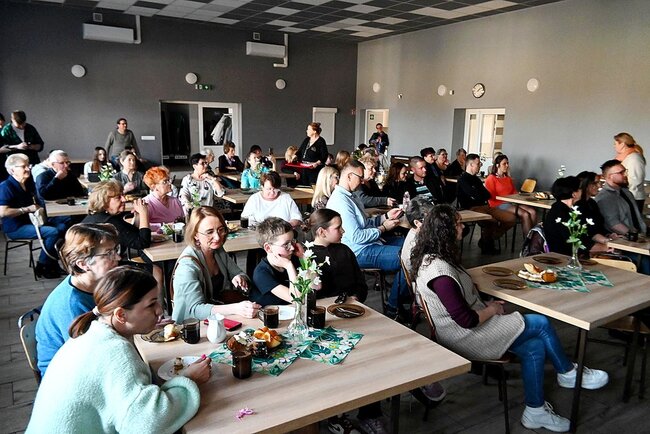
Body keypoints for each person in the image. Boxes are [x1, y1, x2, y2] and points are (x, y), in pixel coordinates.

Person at [411, 204, 608, 433]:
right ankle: (568, 373)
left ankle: (535, 411)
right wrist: (492, 309)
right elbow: (466, 320)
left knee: (535, 347)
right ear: (445, 230)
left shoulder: (436, 258)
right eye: (458, 224)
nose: (463, 227)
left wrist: (484, 305)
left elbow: (460, 305)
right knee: (541, 323)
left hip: (467, 327)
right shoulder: (439, 271)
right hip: (463, 336)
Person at [26, 266, 210, 433]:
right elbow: (146, 424)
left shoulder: (94, 332)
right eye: (151, 304)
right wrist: (189, 380)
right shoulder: (115, 351)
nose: (159, 310)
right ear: (121, 314)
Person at [326, 160, 409, 319]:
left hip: (370, 243)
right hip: (358, 251)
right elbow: (357, 237)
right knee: (410, 257)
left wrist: (385, 216)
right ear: (349, 176)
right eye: (360, 177)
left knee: (413, 246)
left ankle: (403, 294)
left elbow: (365, 224)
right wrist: (383, 228)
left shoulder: (351, 196)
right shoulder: (341, 201)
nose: (363, 181)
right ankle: (394, 307)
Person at [35, 223, 120, 376]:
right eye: (108, 253)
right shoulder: (72, 304)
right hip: (66, 376)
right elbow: (90, 357)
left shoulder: (93, 284)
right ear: (83, 264)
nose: (118, 257)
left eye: (115, 250)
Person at [171, 206, 259, 323]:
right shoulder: (186, 267)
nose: (217, 237)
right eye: (209, 232)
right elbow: (195, 310)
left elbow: (239, 273)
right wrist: (235, 308)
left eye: (221, 229)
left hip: (215, 319)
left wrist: (239, 278)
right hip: (191, 326)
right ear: (195, 235)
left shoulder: (217, 250)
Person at [0, 153, 62, 278]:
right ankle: (42, 265)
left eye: (28, 165)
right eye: (23, 166)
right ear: (12, 170)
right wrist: (27, 209)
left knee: (63, 226)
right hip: (15, 228)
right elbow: (3, 212)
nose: (28, 169)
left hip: (31, 222)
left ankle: (51, 264)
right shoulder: (5, 186)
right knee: (53, 232)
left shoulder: (27, 183)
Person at [595, 159, 650, 273]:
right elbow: (614, 224)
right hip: (624, 243)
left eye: (625, 171)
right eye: (621, 173)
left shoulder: (626, 192)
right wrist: (636, 237)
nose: (625, 175)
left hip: (640, 237)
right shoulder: (605, 197)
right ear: (610, 176)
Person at [457, 153, 515, 254]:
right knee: (491, 221)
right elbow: (475, 195)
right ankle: (487, 244)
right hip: (471, 208)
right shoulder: (463, 179)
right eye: (478, 164)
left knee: (511, 218)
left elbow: (487, 195)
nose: (480, 165)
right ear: (471, 165)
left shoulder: (476, 179)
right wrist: (478, 194)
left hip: (486, 206)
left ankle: (491, 236)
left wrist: (477, 194)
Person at [309, 209, 368, 301]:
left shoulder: (344, 250)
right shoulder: (307, 256)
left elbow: (360, 283)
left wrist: (356, 297)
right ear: (322, 232)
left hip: (351, 303)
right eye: (338, 228)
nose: (343, 231)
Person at [544, 176, 609, 256]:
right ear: (574, 194)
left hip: (576, 253)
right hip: (564, 257)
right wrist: (606, 248)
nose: (583, 190)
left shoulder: (569, 209)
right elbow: (577, 243)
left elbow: (589, 232)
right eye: (580, 188)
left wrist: (607, 241)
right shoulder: (560, 213)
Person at [82, 180, 151, 254]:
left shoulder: (100, 216)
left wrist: (138, 214)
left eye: (123, 195)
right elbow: (143, 243)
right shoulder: (108, 223)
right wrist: (144, 213)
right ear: (104, 201)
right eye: (118, 197)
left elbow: (133, 234)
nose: (124, 199)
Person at [251, 217, 304, 306]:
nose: (292, 248)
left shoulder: (294, 258)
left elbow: (316, 286)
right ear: (268, 248)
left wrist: (303, 257)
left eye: (293, 242)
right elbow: (297, 299)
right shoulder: (261, 273)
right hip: (271, 313)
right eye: (286, 244)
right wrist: (289, 267)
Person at [485, 154, 538, 237]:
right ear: (497, 165)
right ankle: (528, 241)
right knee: (525, 214)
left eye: (507, 163)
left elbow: (513, 192)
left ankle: (535, 238)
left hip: (511, 202)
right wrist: (508, 200)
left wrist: (520, 195)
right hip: (498, 204)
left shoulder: (508, 178)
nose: (507, 165)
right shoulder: (491, 178)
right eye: (504, 163)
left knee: (533, 212)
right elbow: (491, 198)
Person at [576, 171, 614, 249]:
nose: (599, 186)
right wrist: (606, 241)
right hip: (588, 246)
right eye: (595, 183)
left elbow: (599, 225)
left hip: (600, 240)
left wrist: (609, 234)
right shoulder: (577, 206)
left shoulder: (592, 202)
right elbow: (588, 232)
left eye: (599, 182)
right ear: (585, 185)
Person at [143, 166, 184, 231]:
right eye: (165, 182)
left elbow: (182, 221)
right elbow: (142, 225)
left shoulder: (175, 201)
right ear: (154, 186)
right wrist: (163, 226)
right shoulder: (146, 203)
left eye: (169, 180)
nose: (169, 183)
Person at [613, 132, 646, 212]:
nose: (614, 146)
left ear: (622, 144)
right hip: (627, 196)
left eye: (615, 144)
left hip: (632, 197)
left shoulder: (634, 158)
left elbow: (635, 180)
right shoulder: (627, 157)